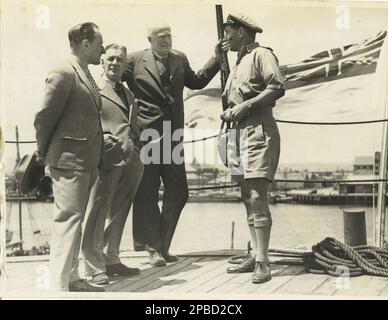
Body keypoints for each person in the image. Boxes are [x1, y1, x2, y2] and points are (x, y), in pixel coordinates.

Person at [123, 21, 221, 267]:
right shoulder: (133, 60)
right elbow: (112, 82)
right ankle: (153, 249)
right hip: (147, 134)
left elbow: (197, 81)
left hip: (173, 134)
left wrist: (217, 58)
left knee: (179, 191)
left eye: (169, 35)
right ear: (150, 39)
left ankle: (161, 244)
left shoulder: (179, 58)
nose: (166, 40)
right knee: (147, 192)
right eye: (161, 36)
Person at [34, 22, 106, 292]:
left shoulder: (83, 72)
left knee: (75, 220)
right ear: (85, 43)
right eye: (100, 43)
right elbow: (44, 117)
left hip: (86, 160)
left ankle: (73, 279)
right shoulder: (63, 71)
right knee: (68, 221)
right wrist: (44, 154)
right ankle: (57, 288)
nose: (103, 48)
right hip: (68, 160)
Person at [220, 13, 285, 283]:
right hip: (236, 134)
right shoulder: (238, 63)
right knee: (247, 197)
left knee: (258, 197)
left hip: (258, 130)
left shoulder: (261, 55)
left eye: (228, 32)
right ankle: (255, 253)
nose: (225, 38)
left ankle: (263, 261)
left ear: (242, 32)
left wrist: (246, 105)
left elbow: (277, 87)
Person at [81, 43, 143, 285]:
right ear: (103, 62)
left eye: (120, 60)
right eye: (111, 59)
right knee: (96, 213)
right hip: (104, 159)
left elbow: (131, 125)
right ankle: (93, 266)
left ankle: (111, 258)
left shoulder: (128, 94)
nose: (116, 63)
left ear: (126, 65)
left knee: (119, 212)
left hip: (130, 160)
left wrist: (136, 148)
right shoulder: (93, 89)